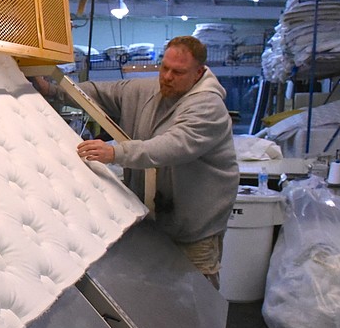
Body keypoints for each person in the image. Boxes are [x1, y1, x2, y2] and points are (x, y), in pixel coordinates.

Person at [36, 36, 238, 289]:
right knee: (157, 296)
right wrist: (53, 90)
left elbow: (173, 145)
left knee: (196, 299)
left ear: (198, 73)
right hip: (152, 225)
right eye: (164, 67)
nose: (167, 77)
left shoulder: (208, 107)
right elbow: (99, 93)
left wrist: (115, 153)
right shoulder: (146, 91)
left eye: (178, 72)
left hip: (193, 233)